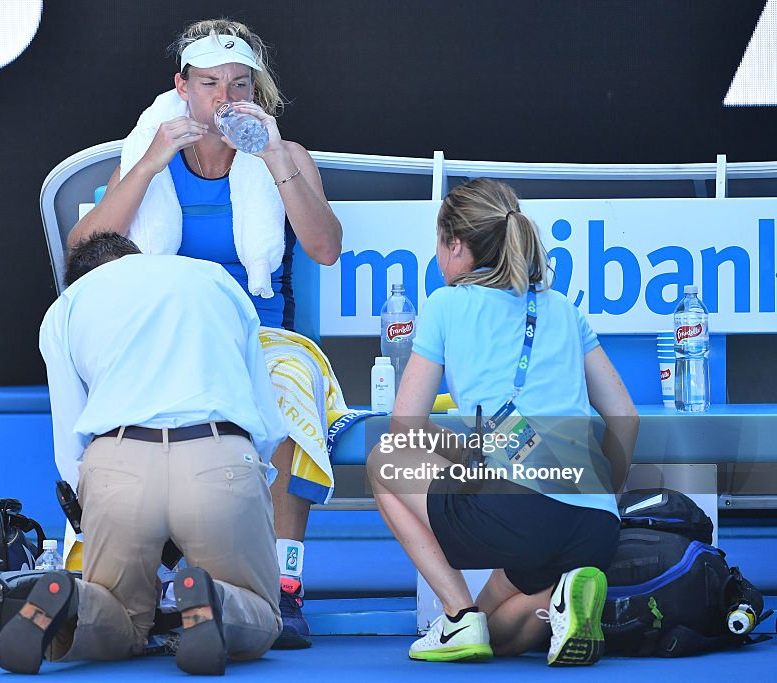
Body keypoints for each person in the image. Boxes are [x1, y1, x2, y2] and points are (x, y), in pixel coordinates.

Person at [69, 18, 344, 648]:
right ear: (182, 88)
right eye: (210, 83)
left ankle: (286, 583)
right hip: (165, 341)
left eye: (239, 84)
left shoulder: (284, 152)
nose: (225, 98)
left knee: (287, 383)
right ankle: (137, 581)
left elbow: (325, 249)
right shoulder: (149, 151)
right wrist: (148, 165)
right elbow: (83, 255)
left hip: (257, 334)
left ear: (255, 90)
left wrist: (274, 155)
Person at [366, 179, 639, 666]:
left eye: (438, 243)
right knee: (498, 641)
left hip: (518, 511)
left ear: (456, 246)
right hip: (594, 524)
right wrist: (605, 500)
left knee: (383, 460)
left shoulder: (447, 303)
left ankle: (455, 616)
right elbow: (625, 417)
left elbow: (404, 428)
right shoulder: (563, 308)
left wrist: (466, 451)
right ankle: (556, 601)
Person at [0, 232, 287, 675]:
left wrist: (91, 503)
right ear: (140, 257)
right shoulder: (214, 279)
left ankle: (73, 600)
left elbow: (70, 442)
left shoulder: (66, 307)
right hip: (218, 454)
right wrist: (250, 482)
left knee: (120, 618)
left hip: (118, 461)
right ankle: (212, 598)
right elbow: (264, 417)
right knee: (261, 617)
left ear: (74, 280)